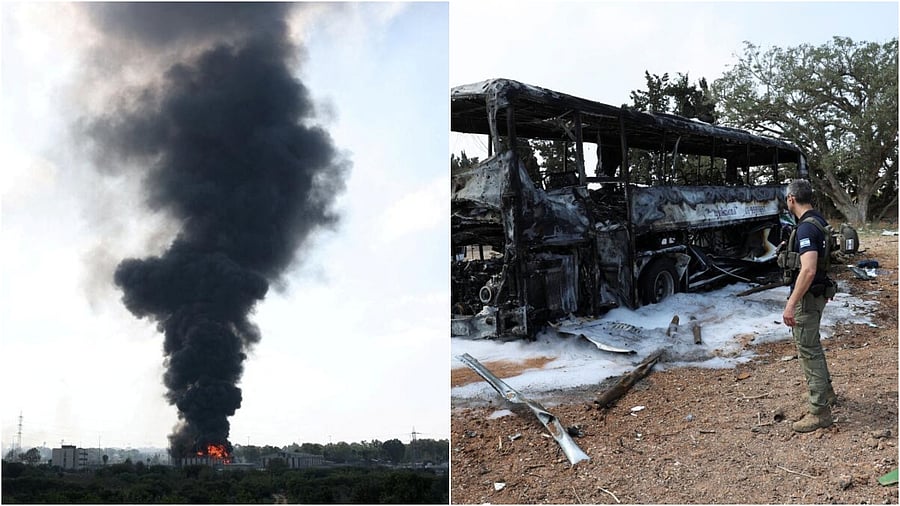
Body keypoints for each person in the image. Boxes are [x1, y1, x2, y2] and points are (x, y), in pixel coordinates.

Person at [780, 179, 837, 433]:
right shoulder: (820, 221)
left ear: (791, 199)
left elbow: (809, 269)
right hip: (818, 294)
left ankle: (819, 411)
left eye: (787, 198)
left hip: (807, 298)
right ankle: (826, 393)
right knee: (813, 345)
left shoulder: (805, 228)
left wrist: (791, 304)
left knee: (808, 350)